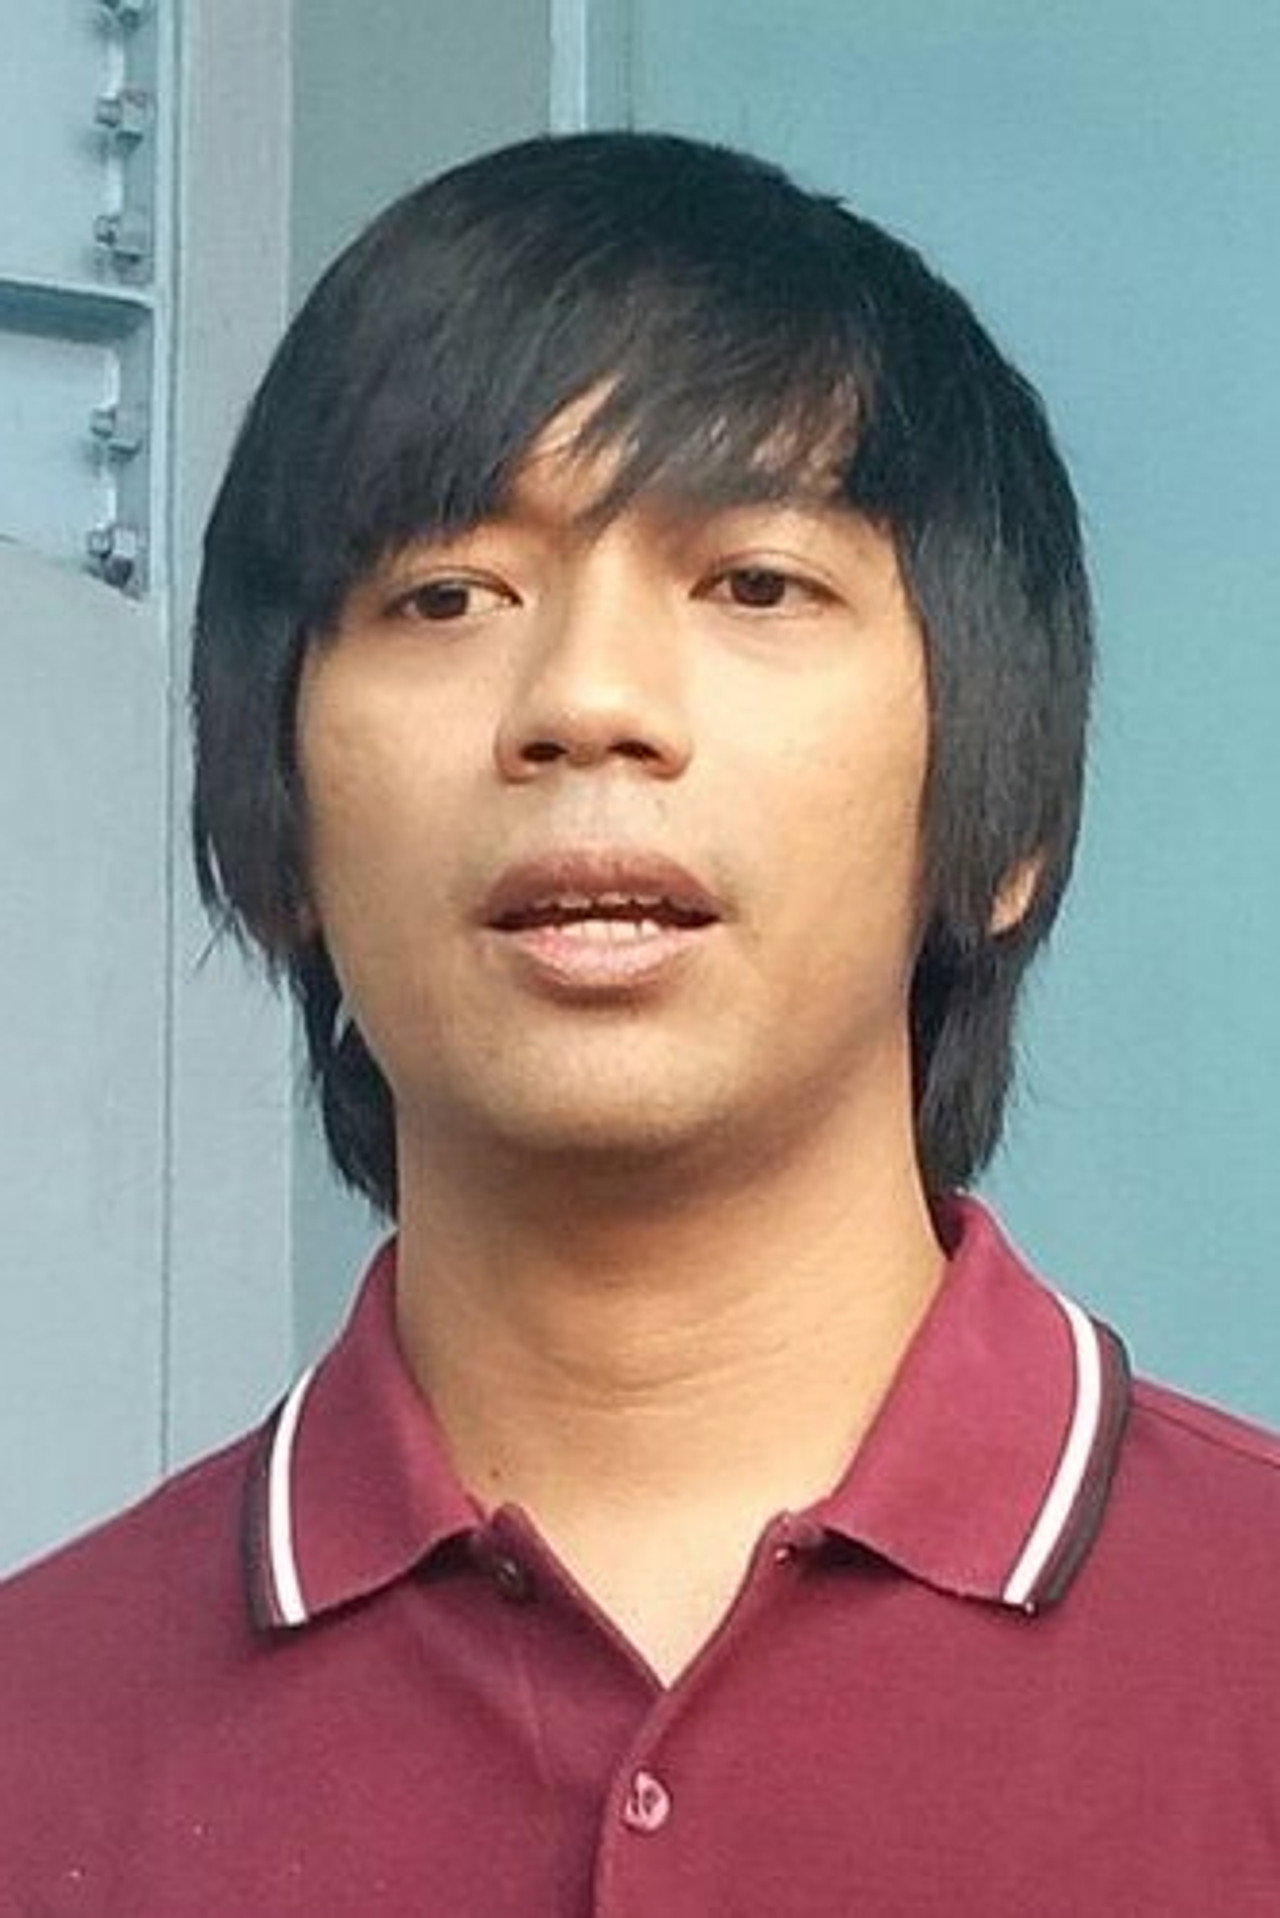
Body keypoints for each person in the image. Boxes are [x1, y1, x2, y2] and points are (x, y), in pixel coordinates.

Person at [1, 130, 1276, 1915]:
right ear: (275, 826)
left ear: (1007, 828)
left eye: (755, 582)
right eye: (447, 595)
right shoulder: (36, 1735)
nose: (587, 701)